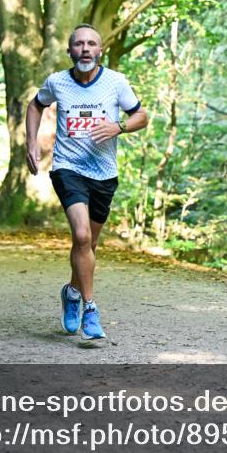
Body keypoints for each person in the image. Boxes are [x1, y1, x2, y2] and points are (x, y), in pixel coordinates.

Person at [25, 24, 148, 340]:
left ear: (100, 50)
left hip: (104, 173)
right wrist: (31, 143)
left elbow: (141, 116)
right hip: (68, 168)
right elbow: (36, 105)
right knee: (80, 236)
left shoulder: (115, 82)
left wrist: (118, 127)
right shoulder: (58, 82)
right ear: (70, 51)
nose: (85, 49)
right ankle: (90, 310)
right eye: (78, 44)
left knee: (89, 245)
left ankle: (72, 293)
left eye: (91, 43)